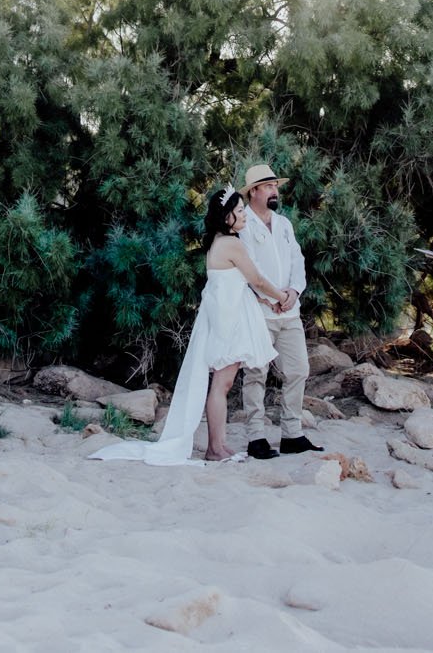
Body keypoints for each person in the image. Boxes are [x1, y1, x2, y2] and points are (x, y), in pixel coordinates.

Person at [91, 187, 288, 466]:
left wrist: (267, 302)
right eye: (240, 211)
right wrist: (281, 297)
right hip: (229, 318)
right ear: (227, 215)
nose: (244, 215)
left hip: (226, 312)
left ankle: (217, 445)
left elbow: (242, 282)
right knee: (222, 383)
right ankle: (215, 447)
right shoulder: (231, 244)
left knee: (224, 381)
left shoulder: (222, 240)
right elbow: (256, 279)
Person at [236, 161, 322, 458]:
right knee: (256, 373)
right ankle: (256, 437)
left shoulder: (284, 224)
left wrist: (294, 292)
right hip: (261, 310)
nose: (275, 191)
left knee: (298, 369)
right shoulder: (244, 224)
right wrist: (274, 295)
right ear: (255, 191)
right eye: (270, 186)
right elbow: (251, 269)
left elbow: (298, 261)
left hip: (289, 310)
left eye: (275, 186)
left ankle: (292, 433)